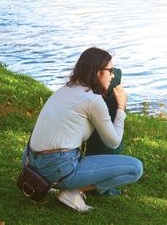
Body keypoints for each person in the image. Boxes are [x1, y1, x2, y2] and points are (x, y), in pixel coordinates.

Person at [22, 47, 143, 212]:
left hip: (30, 162)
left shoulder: (65, 89)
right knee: (135, 168)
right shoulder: (92, 100)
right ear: (98, 72)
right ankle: (73, 190)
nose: (113, 76)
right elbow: (113, 142)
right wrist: (121, 107)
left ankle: (53, 182)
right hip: (57, 167)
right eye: (110, 70)